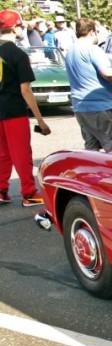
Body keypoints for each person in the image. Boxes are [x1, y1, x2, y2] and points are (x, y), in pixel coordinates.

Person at [0, 10, 50, 207]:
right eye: (21, 26)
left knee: (2, 153)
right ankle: (28, 193)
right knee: (21, 153)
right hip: (14, 111)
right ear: (14, 28)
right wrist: (40, 119)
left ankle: (2, 190)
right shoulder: (18, 54)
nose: (22, 29)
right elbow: (26, 90)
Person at [64, 18, 112, 151]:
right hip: (100, 106)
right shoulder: (92, 49)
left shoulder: (70, 51)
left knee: (91, 149)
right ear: (92, 32)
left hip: (80, 106)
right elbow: (107, 73)